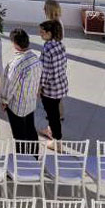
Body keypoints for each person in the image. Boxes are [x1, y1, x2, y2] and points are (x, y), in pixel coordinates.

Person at [0, 29, 41, 142]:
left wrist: (4, 101)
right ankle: (34, 153)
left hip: (17, 107)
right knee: (31, 130)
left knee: (19, 136)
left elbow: (10, 85)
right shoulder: (36, 58)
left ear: (15, 44)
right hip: (30, 103)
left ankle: (22, 154)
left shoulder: (16, 64)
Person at [38, 20, 68, 148]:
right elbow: (64, 64)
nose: (40, 34)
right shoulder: (60, 45)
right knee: (54, 112)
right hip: (61, 85)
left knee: (52, 115)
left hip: (50, 89)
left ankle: (56, 141)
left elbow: (45, 72)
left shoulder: (47, 49)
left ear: (49, 33)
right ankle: (51, 132)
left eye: (42, 32)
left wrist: (39, 87)